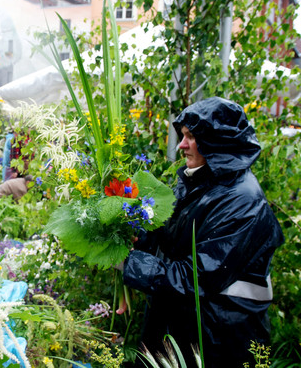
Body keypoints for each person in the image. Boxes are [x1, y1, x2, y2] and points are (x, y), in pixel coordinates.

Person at [121, 97, 284, 367]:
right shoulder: (200, 180)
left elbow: (194, 277)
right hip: (187, 327)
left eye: (190, 137)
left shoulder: (243, 202)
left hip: (219, 338)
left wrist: (129, 261)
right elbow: (173, 237)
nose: (182, 145)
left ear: (217, 143)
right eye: (182, 136)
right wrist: (141, 239)